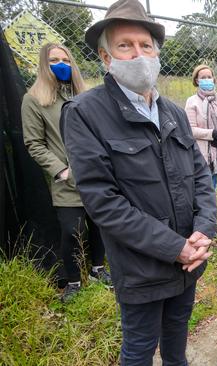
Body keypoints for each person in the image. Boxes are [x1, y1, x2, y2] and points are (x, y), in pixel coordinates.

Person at [60, 0, 217, 364]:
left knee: (177, 344)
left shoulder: (174, 112)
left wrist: (205, 229)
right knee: (139, 350)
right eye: (125, 46)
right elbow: (103, 201)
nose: (138, 55)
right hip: (142, 269)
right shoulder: (85, 114)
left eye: (146, 46)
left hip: (189, 263)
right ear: (105, 56)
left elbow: (200, 176)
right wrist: (173, 247)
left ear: (157, 53)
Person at [22, 43, 111, 303]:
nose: (61, 64)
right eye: (53, 60)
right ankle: (73, 280)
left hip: (94, 175)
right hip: (67, 180)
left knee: (99, 225)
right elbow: (33, 143)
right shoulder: (34, 99)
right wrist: (61, 171)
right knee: (72, 231)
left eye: (65, 59)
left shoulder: (84, 96)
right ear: (43, 64)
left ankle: (98, 269)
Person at [185, 64, 217, 234]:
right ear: (196, 80)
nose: (207, 80)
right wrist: (212, 134)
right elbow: (190, 129)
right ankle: (208, 224)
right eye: (203, 77)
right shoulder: (192, 102)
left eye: (209, 77)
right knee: (208, 191)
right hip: (205, 155)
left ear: (214, 79)